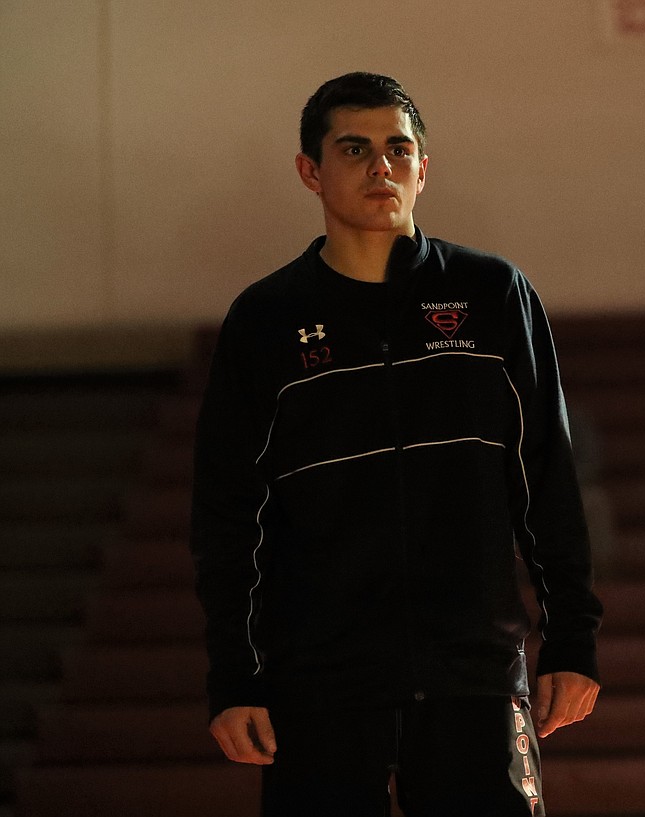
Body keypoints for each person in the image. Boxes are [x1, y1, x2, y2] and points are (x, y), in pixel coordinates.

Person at [190, 72, 602, 817]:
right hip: (320, 679)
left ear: (423, 167)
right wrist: (236, 678)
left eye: (398, 147)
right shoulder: (263, 320)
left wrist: (572, 640)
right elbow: (228, 517)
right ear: (310, 172)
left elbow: (546, 478)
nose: (382, 166)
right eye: (355, 148)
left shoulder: (493, 293)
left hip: (475, 670)